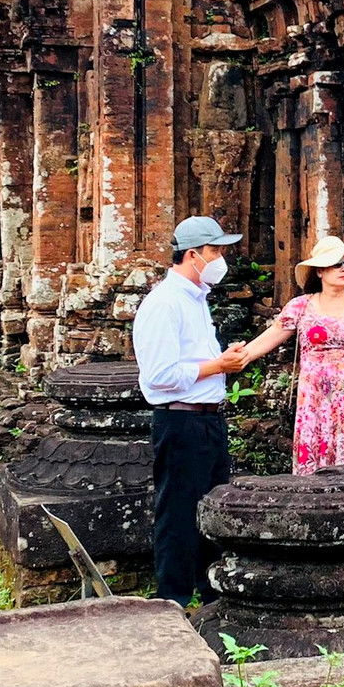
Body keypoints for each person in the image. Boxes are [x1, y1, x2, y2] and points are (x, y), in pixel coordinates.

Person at [133, 215, 254, 608]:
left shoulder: (196, 299)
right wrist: (219, 366)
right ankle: (173, 599)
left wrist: (221, 361)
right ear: (192, 255)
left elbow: (195, 361)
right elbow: (160, 374)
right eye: (214, 251)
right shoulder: (164, 304)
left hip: (207, 417)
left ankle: (210, 591)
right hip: (180, 418)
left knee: (212, 506)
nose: (220, 259)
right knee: (179, 511)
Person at [244, 235, 344, 473]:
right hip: (315, 403)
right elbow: (269, 338)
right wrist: (239, 357)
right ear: (319, 271)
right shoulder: (301, 307)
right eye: (336, 264)